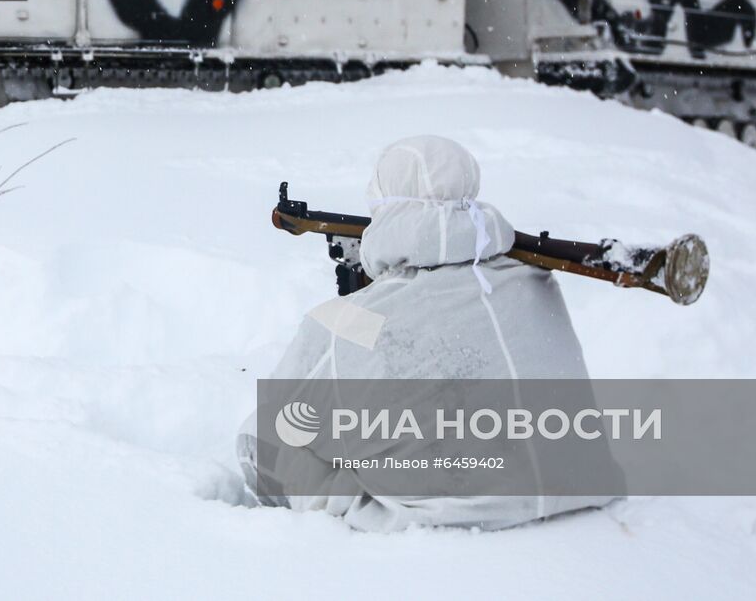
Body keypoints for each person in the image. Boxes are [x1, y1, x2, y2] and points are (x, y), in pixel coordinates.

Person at [237, 134, 622, 532]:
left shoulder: (354, 320)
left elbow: (280, 420)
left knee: (268, 436)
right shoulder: (531, 281)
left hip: (438, 518)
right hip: (572, 486)